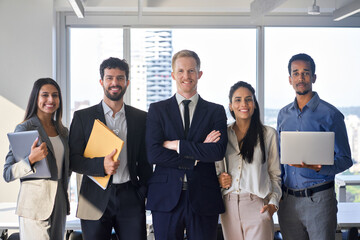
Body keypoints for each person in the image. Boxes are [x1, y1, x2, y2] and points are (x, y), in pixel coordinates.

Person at [146, 49, 228, 240]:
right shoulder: (157, 110)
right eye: (181, 71)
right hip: (165, 197)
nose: (186, 76)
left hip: (204, 196)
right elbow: (154, 154)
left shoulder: (215, 111)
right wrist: (196, 156)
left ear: (199, 74)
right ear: (173, 75)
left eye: (191, 71)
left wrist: (177, 145)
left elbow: (217, 151)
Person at [69, 57, 153, 240]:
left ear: (127, 82)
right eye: (109, 78)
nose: (115, 83)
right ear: (102, 82)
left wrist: (142, 192)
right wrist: (101, 166)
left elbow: (146, 161)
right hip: (93, 198)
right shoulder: (83, 117)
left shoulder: (140, 118)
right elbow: (73, 159)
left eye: (120, 78)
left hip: (130, 196)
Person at [277, 53, 353, 240]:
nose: (300, 78)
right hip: (288, 202)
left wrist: (322, 168)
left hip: (319, 200)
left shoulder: (331, 114)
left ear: (314, 77)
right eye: (296, 73)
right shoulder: (283, 115)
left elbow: (345, 159)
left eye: (305, 73)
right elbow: (279, 158)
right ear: (290, 79)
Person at [3, 78, 70, 240]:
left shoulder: (63, 131)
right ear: (36, 98)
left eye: (55, 95)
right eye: (45, 95)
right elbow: (7, 173)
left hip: (59, 202)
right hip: (34, 205)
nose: (50, 100)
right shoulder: (24, 128)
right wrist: (30, 160)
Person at [216, 81, 282, 240]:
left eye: (248, 99)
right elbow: (215, 170)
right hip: (228, 207)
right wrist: (218, 179)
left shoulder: (268, 134)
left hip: (257, 206)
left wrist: (273, 204)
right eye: (237, 100)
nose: (243, 104)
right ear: (231, 106)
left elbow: (275, 175)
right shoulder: (223, 134)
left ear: (255, 104)